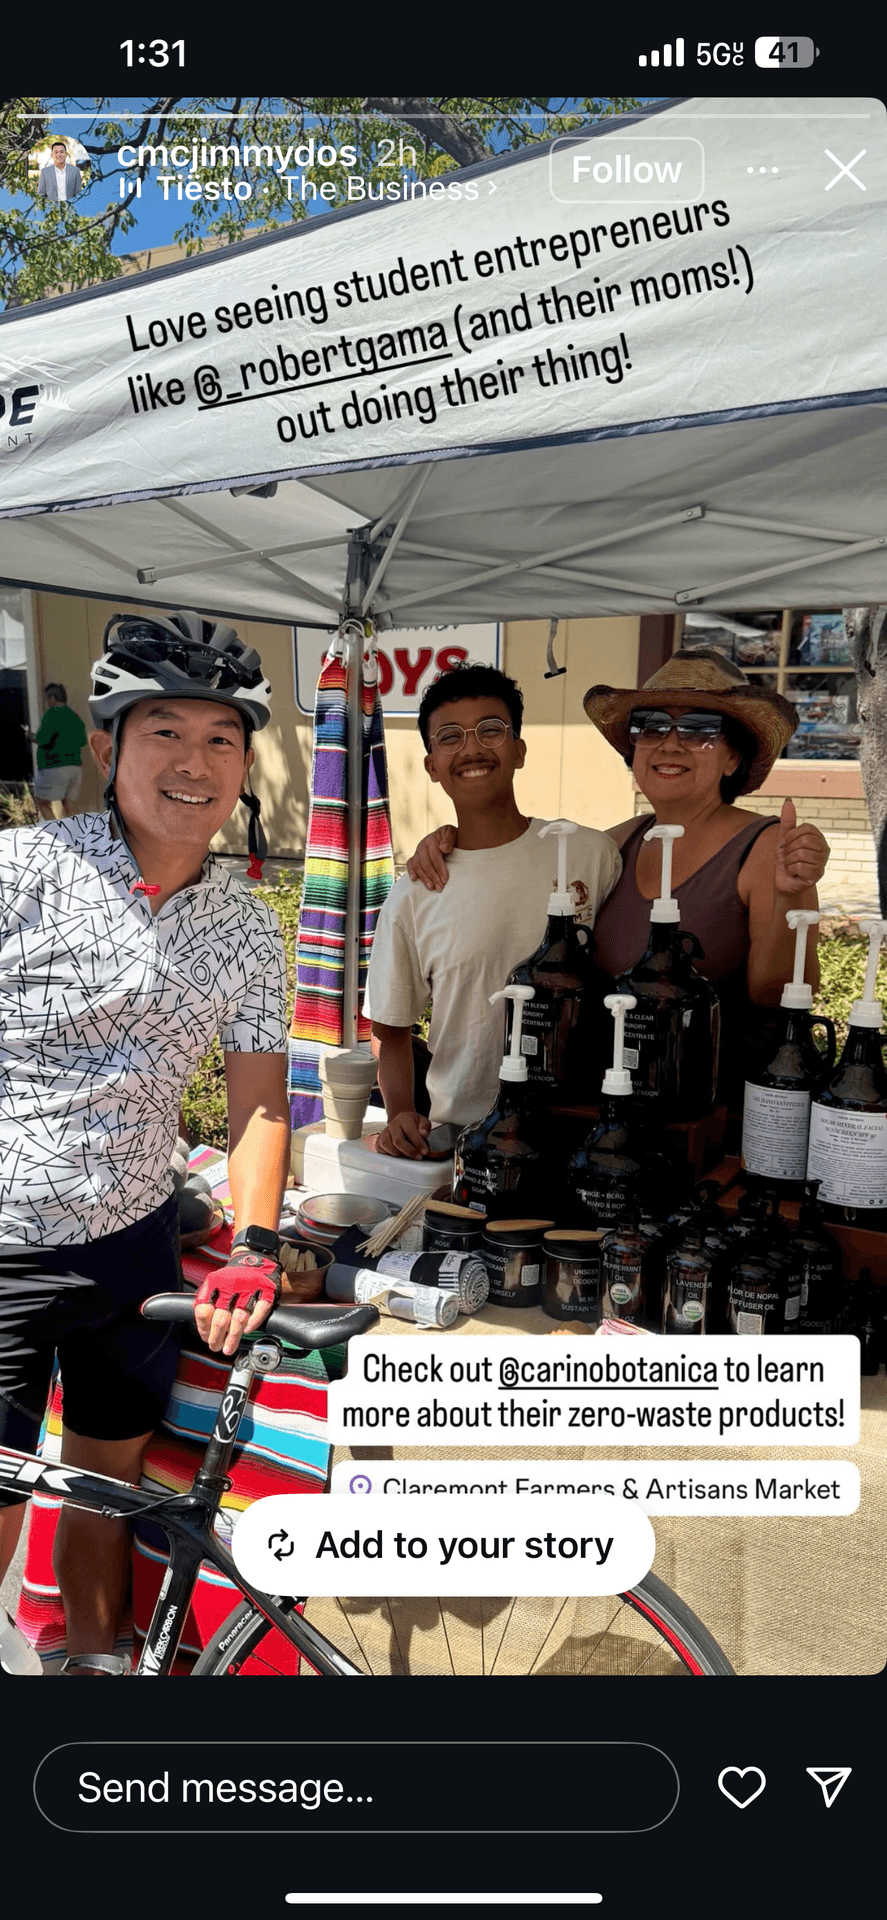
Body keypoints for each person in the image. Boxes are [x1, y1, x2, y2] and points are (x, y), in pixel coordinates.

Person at [0, 610, 291, 1667]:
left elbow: (260, 1100)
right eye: (163, 730)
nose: (193, 760)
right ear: (113, 745)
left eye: (222, 738)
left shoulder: (246, 923)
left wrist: (254, 1245)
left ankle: (94, 1679)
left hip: (134, 1244)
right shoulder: (21, 873)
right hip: (6, 1246)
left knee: (104, 1493)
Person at [408, 649, 831, 1109]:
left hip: (713, 1126)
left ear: (733, 758)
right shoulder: (614, 845)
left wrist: (790, 896)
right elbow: (522, 858)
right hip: (608, 1118)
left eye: (699, 729)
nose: (670, 744)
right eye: (651, 726)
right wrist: (451, 842)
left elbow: (779, 997)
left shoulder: (768, 847)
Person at [364, 663, 621, 1157]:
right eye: (450, 737)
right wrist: (399, 1114)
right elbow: (391, 1029)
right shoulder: (417, 890)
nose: (472, 748)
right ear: (432, 765)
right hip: (466, 1139)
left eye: (491, 730)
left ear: (519, 750)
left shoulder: (588, 853)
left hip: (579, 1131)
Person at [32, 682, 88, 819]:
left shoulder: (51, 714)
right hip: (75, 767)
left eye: (47, 698)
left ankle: (55, 834)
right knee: (67, 805)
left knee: (42, 802)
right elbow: (83, 741)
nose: (46, 702)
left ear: (52, 698)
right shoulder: (74, 716)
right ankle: (73, 836)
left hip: (54, 766)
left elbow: (43, 739)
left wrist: (29, 735)